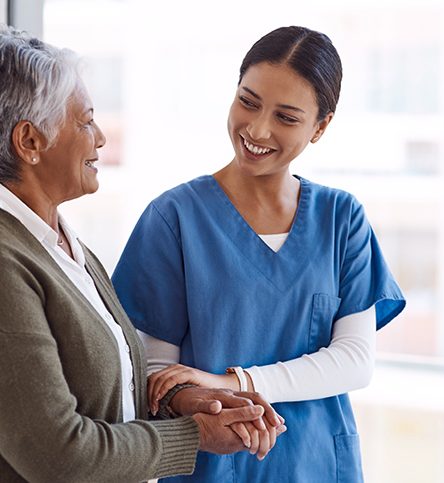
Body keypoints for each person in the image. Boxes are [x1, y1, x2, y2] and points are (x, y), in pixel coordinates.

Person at [112, 26, 406, 483]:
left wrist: (236, 382)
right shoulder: (173, 218)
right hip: (212, 465)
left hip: (319, 464)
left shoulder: (341, 219)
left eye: (287, 117)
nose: (257, 129)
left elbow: (353, 360)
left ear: (320, 127)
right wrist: (204, 397)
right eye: (248, 101)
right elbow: (158, 373)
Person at [0, 24, 286, 483]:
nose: (100, 138)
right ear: (30, 141)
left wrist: (182, 401)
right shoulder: (6, 261)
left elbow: (106, 396)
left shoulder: (63, 243)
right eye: (85, 120)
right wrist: (193, 435)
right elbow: (58, 455)